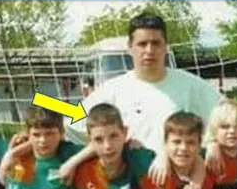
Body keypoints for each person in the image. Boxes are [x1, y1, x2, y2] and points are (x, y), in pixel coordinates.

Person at [66, 13, 222, 153]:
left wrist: (213, 144)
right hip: (130, 180)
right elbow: (74, 122)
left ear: (166, 47)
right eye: (142, 44)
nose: (149, 50)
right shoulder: (112, 89)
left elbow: (230, 117)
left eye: (156, 43)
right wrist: (111, 145)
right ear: (130, 48)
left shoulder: (191, 85)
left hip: (179, 180)